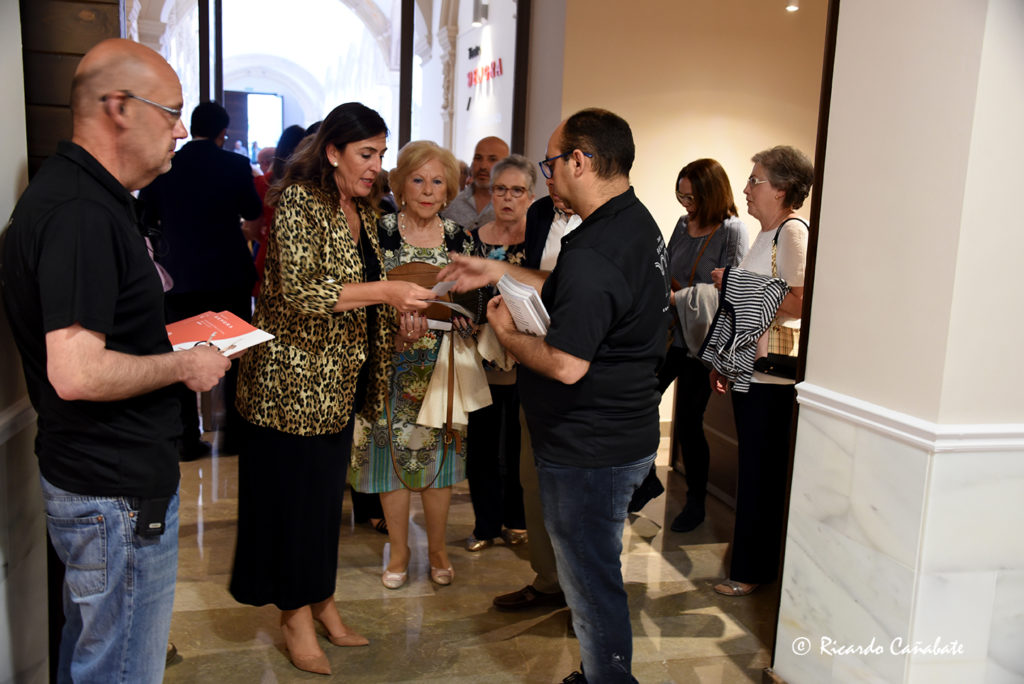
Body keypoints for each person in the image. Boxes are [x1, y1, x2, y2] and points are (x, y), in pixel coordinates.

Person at [1, 38, 231, 683]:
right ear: (119, 106)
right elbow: (77, 371)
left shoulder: (84, 196)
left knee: (96, 657)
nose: (181, 130)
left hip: (101, 481)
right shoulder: (80, 212)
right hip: (115, 489)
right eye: (172, 112)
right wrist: (184, 366)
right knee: (121, 670)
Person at [440, 108, 670, 683]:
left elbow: (566, 365)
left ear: (580, 161)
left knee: (590, 583)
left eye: (551, 163)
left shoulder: (596, 250)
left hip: (590, 444)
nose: (548, 175)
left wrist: (507, 333)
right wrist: (495, 272)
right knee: (594, 571)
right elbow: (571, 289)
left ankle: (607, 678)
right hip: (622, 430)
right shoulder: (633, 221)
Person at [228, 102, 435, 676]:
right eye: (366, 154)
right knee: (291, 509)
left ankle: (322, 600)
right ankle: (293, 615)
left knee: (323, 508)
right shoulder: (301, 201)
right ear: (333, 152)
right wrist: (387, 293)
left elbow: (364, 290)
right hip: (289, 387)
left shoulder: (363, 209)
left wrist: (399, 318)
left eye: (381, 154)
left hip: (339, 384)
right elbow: (303, 289)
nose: (377, 166)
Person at [348, 140, 476, 588]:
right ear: (400, 185)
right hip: (389, 366)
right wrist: (395, 334)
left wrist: (465, 320)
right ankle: (399, 551)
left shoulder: (460, 238)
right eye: (417, 180)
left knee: (440, 465)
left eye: (437, 181)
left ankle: (438, 549)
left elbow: (475, 303)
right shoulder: (377, 232)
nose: (427, 190)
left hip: (442, 368)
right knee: (390, 463)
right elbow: (360, 300)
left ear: (449, 189)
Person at [708, 145, 813, 597]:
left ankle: (751, 571)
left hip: (772, 377)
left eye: (755, 180)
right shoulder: (767, 234)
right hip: (751, 370)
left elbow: (800, 301)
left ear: (782, 189)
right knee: (754, 469)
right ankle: (750, 564)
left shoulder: (792, 233)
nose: (747, 188)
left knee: (760, 474)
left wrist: (732, 282)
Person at [140, 101, 263, 458]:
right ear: (223, 132)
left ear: (191, 127)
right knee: (236, 358)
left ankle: (186, 440)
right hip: (228, 275)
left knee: (180, 358)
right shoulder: (235, 165)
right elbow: (253, 211)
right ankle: (235, 438)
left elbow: (145, 216)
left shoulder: (166, 164)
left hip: (179, 276)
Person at [491, 170, 581, 612]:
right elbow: (538, 276)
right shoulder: (542, 212)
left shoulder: (610, 225)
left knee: (576, 493)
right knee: (533, 478)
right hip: (536, 362)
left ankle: (580, 596)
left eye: (556, 168)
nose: (549, 182)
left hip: (580, 373)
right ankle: (547, 582)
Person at [659, 159, 748, 532]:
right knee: (640, 402)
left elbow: (732, 288)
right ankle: (642, 480)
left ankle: (695, 502)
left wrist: (683, 297)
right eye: (680, 195)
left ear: (711, 194)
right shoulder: (682, 225)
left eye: (692, 197)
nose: (685, 204)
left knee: (690, 422)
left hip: (704, 341)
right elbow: (664, 270)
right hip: (671, 335)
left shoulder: (731, 231)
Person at [464, 155, 533, 552]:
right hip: (481, 355)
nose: (507, 198)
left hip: (526, 355)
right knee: (482, 443)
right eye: (500, 189)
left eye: (517, 190)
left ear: (530, 195)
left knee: (519, 443)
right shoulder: (473, 239)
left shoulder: (538, 242)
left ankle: (517, 519)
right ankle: (486, 524)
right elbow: (465, 294)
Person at [440, 136, 509, 231]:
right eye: (478, 158)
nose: (483, 166)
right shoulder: (451, 206)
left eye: (492, 159)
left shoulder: (517, 207)